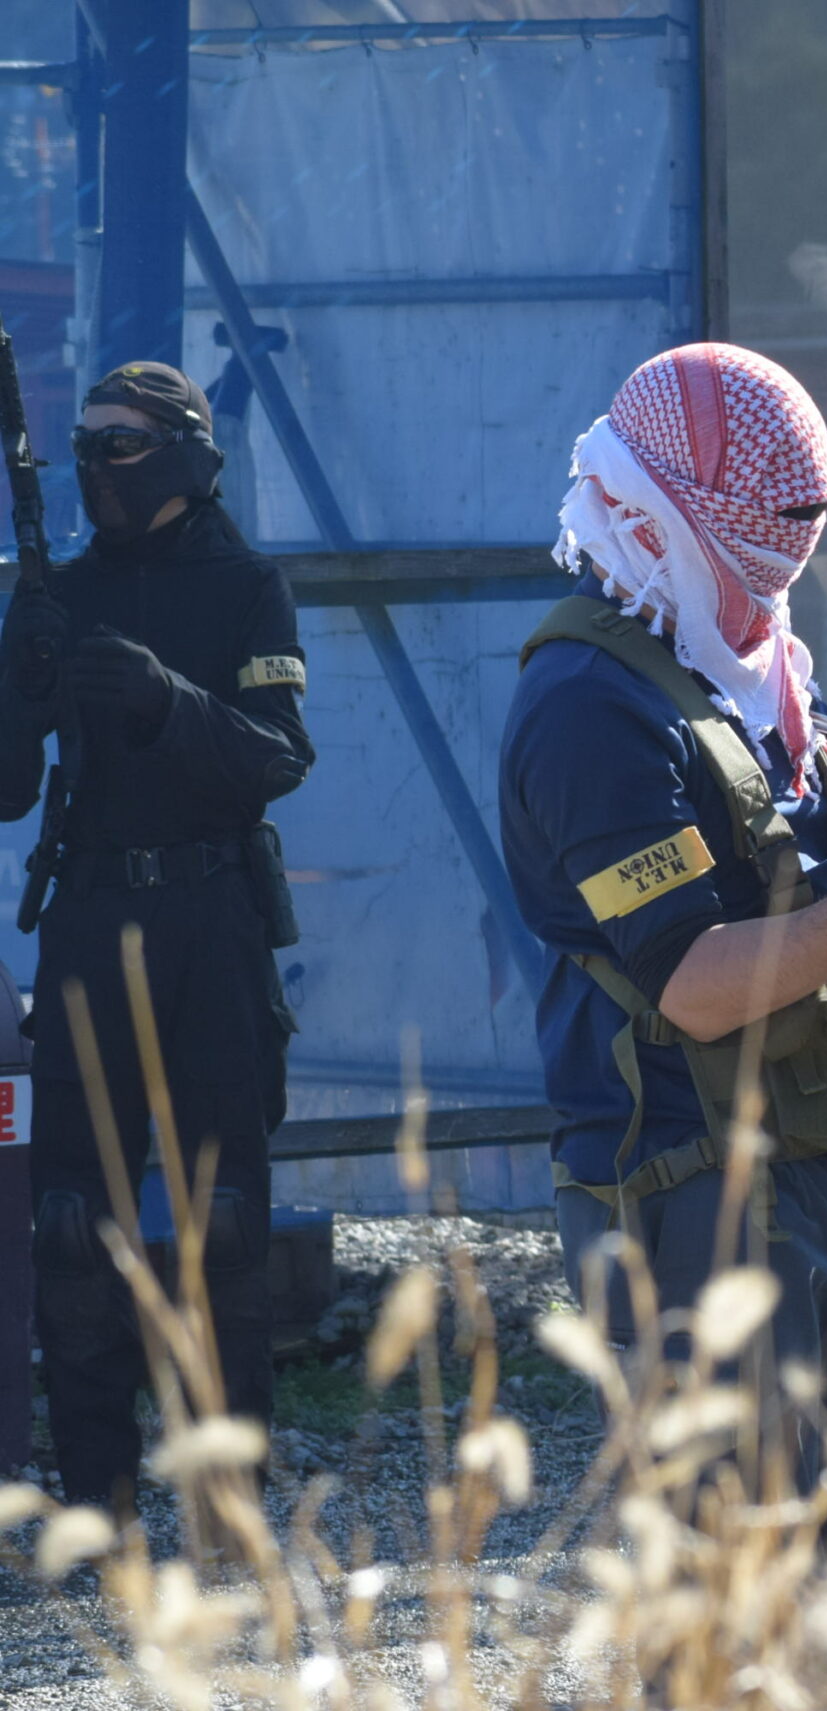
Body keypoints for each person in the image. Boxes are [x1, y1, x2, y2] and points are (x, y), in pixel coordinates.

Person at [498, 343, 827, 1639]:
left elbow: (774, 886)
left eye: (806, 519)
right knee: (738, 1611)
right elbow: (695, 983)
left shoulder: (738, 665)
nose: (787, 550)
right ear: (651, 506)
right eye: (760, 519)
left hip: (824, 1173)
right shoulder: (589, 707)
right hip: (691, 1194)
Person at [0, 361, 310, 1514]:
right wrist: (18, 680)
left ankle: (229, 1510)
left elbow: (278, 756)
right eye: (84, 445)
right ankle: (99, 1510)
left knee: (220, 1225)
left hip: (209, 923)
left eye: (121, 444)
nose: (97, 466)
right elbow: (6, 790)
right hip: (89, 917)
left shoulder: (246, 586)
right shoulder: (61, 589)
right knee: (75, 1228)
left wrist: (164, 701)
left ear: (182, 452)